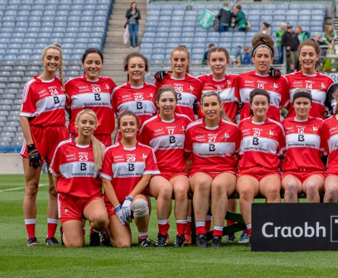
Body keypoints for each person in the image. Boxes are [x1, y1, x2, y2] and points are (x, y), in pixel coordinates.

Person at [20, 43, 68, 246]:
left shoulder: (63, 84)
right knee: (31, 187)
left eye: (56, 59)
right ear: (42, 59)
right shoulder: (33, 84)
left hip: (58, 136)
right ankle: (31, 236)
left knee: (55, 189)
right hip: (38, 136)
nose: (52, 61)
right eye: (49, 57)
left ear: (60, 62)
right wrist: (31, 146)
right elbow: (24, 117)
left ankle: (51, 235)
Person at [137, 86, 192, 247]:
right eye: (164, 100)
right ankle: (163, 233)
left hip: (178, 172)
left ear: (176, 102)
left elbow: (189, 152)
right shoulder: (148, 125)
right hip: (156, 173)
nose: (167, 104)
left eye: (171, 100)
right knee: (165, 189)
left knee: (182, 190)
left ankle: (181, 235)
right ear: (157, 103)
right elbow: (142, 152)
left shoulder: (185, 122)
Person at [186, 91, 241, 248]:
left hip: (226, 170)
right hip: (200, 170)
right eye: (207, 105)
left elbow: (239, 156)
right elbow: (187, 156)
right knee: (203, 183)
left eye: (213, 104)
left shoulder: (233, 129)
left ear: (221, 106)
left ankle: (217, 234)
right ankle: (201, 233)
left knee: (218, 185)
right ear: (201, 109)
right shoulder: (192, 129)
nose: (210, 108)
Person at [50, 110, 108, 248]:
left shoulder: (101, 149)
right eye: (84, 122)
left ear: (96, 126)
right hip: (69, 200)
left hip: (91, 198)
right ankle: (68, 229)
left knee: (100, 219)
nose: (87, 125)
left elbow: (104, 179)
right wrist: (63, 192)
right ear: (76, 125)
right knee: (75, 245)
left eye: (91, 123)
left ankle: (93, 230)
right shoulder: (63, 147)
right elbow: (55, 174)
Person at [101, 111, 159, 248]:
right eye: (124, 124)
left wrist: (129, 199)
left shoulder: (147, 151)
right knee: (124, 244)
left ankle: (143, 237)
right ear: (119, 128)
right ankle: (107, 232)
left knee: (140, 205)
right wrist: (117, 207)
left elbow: (145, 180)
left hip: (134, 199)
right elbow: (105, 182)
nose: (128, 127)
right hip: (114, 203)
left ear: (138, 127)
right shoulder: (110, 151)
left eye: (132, 124)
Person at [236, 89, 284, 245]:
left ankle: (268, 232)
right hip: (247, 171)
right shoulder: (241, 125)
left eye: (263, 103)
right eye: (256, 103)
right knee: (245, 191)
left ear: (269, 105)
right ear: (250, 105)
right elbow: (236, 151)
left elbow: (282, 151)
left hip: (269, 171)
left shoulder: (277, 127)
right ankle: (252, 233)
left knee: (273, 191)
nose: (260, 107)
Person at [280, 90, 326, 203]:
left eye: (305, 103)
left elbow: (324, 151)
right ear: (293, 105)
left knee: (311, 187)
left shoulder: (320, 124)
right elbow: (280, 151)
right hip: (291, 172)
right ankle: (292, 221)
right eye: (298, 103)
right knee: (290, 187)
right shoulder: (284, 124)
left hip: (314, 172)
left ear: (311, 105)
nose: (302, 106)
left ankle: (313, 220)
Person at [65, 49, 116, 145]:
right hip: (78, 136)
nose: (93, 66)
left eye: (97, 63)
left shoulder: (109, 83)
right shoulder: (71, 84)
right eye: (89, 62)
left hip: (103, 137)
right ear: (83, 64)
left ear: (102, 64)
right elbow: (68, 108)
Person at [235, 34, 289, 122]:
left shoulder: (281, 80)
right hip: (246, 131)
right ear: (253, 59)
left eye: (266, 56)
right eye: (259, 56)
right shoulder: (241, 79)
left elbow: (290, 108)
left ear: (271, 59)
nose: (262, 60)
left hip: (272, 132)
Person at [286, 40, 334, 119]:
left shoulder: (328, 81)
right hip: (293, 129)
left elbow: (331, 110)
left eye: (311, 55)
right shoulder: (288, 79)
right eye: (304, 55)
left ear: (317, 57)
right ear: (299, 57)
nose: (307, 58)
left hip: (318, 129)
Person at [154, 46, 202, 121]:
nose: (179, 63)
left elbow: (199, 108)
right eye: (176, 59)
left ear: (188, 61)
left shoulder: (196, 82)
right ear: (171, 61)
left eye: (183, 60)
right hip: (165, 127)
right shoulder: (161, 80)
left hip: (188, 127)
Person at [112, 53, 158, 126]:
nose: (136, 69)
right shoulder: (117, 91)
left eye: (140, 66)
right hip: (125, 136)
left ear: (145, 69)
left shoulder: (154, 89)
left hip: (148, 136)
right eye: (133, 66)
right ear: (127, 69)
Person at [198, 47, 239, 120]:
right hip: (206, 129)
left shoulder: (236, 80)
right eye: (214, 60)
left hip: (229, 129)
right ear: (208, 63)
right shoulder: (200, 81)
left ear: (227, 62)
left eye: (221, 60)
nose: (217, 63)